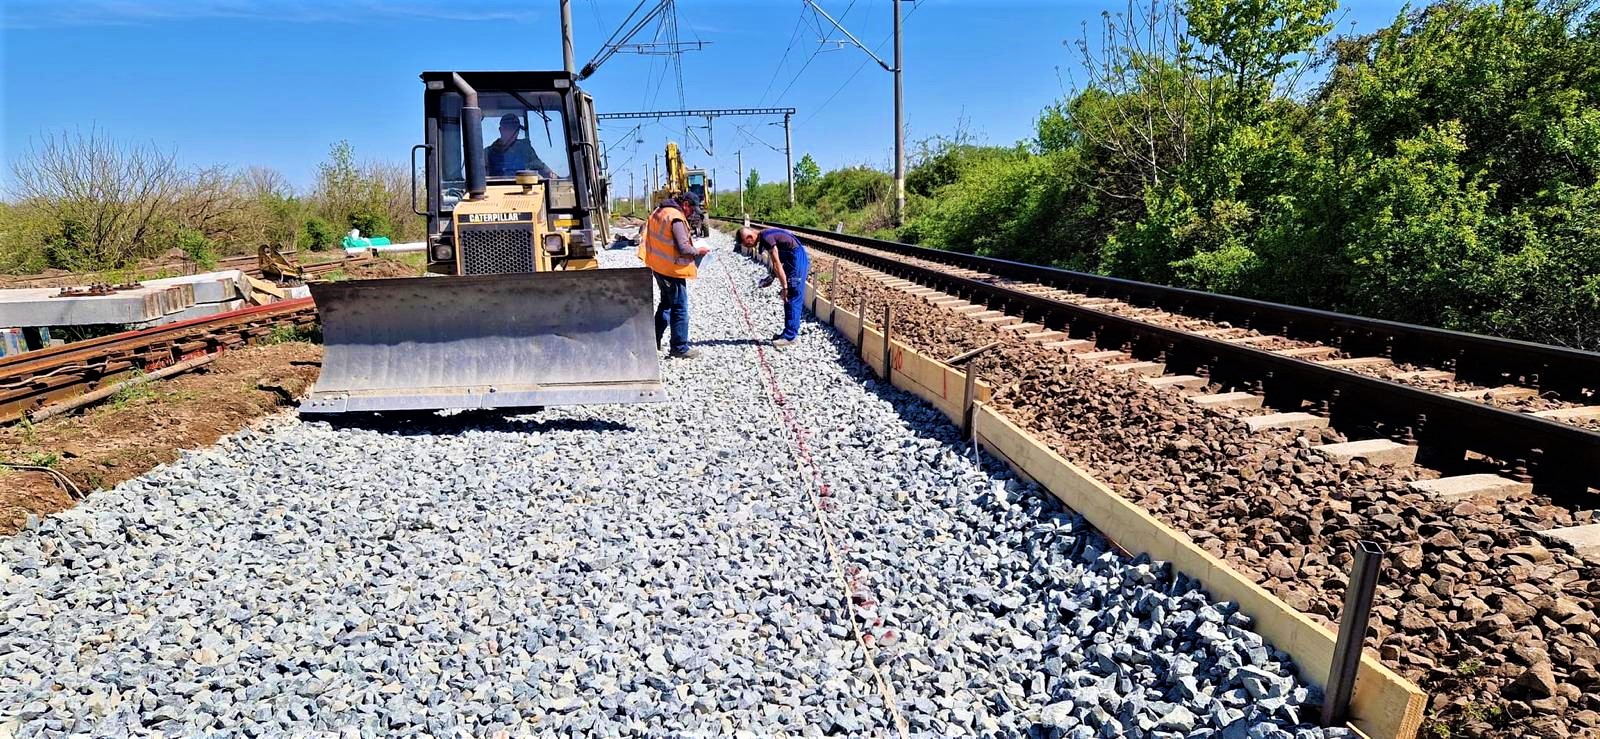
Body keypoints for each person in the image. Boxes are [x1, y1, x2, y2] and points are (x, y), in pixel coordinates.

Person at [640, 197, 710, 358]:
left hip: (658, 265)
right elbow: (684, 248)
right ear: (685, 204)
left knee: (666, 304)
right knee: (680, 307)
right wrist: (699, 251)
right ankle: (679, 347)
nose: (692, 213)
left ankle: (652, 340)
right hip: (672, 269)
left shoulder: (659, 211)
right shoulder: (676, 218)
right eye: (692, 209)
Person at [737, 226, 810, 348]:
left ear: (749, 238)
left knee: (792, 296)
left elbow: (776, 262)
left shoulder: (766, 238)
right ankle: (787, 333)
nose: (748, 247)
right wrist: (771, 278)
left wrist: (785, 287)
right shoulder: (766, 235)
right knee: (788, 297)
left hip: (797, 259)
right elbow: (780, 261)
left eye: (746, 244)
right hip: (792, 259)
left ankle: (790, 336)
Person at [485, 113, 557, 180]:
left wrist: (550, 174)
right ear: (500, 130)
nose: (511, 132)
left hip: (524, 189)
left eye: (514, 129)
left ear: (518, 131)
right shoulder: (487, 153)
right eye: (507, 128)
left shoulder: (525, 150)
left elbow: (541, 167)